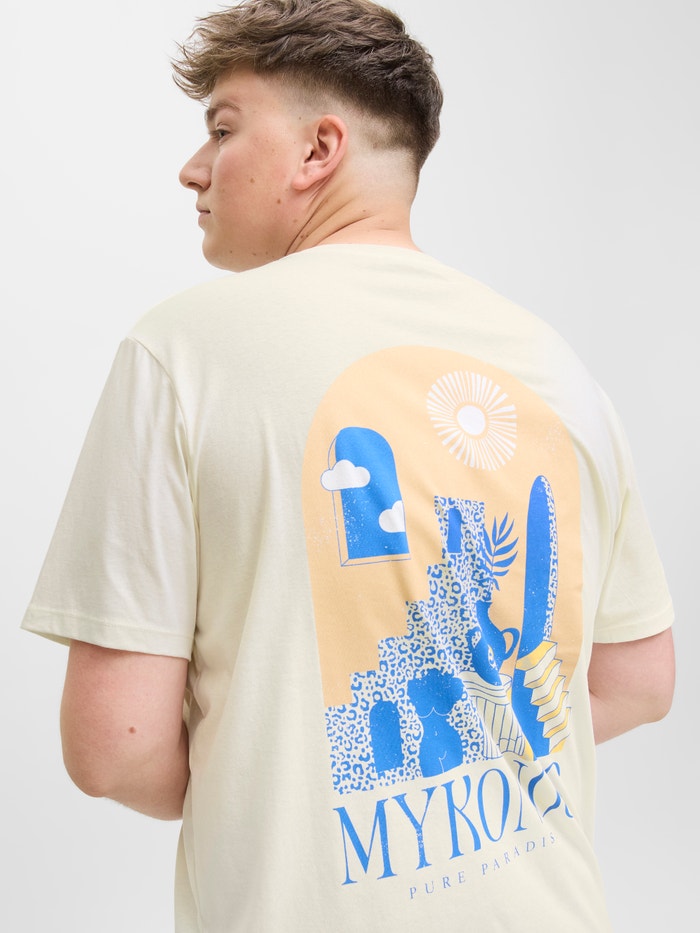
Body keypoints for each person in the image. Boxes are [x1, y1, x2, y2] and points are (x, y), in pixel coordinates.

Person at [22, 0, 675, 930]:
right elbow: (639, 678)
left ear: (319, 150)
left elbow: (113, 748)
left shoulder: (184, 351)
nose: (194, 167)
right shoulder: (554, 365)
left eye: (222, 129)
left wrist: (285, 779)